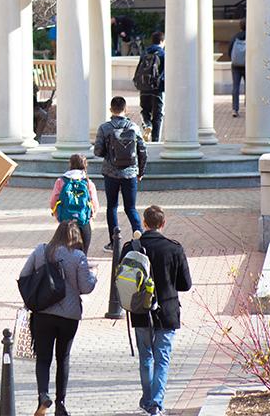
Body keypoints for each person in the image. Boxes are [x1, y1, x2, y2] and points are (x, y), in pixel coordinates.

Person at [19, 220, 97, 416]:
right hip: (69, 316)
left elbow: (24, 275)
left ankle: (43, 396)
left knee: (43, 358)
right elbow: (86, 287)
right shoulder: (78, 257)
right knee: (63, 358)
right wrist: (94, 275)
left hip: (43, 313)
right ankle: (61, 404)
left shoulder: (41, 250)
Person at [121, 205, 192, 416]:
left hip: (140, 310)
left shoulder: (131, 247)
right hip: (167, 311)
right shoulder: (174, 248)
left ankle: (147, 399)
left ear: (144, 223)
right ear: (163, 224)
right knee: (162, 358)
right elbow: (185, 284)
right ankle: (156, 403)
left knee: (146, 357)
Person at [93, 96, 147, 252]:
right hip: (130, 174)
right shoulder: (134, 127)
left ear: (111, 109)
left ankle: (114, 242)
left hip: (111, 173)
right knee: (131, 208)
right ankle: (140, 240)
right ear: (126, 109)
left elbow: (97, 151)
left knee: (112, 207)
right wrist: (140, 171)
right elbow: (143, 151)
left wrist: (109, 154)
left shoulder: (104, 128)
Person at [49, 154, 100, 255]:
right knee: (83, 254)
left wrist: (57, 215)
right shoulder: (88, 182)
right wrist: (91, 216)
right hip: (83, 221)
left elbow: (53, 202)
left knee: (65, 252)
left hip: (66, 222)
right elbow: (95, 204)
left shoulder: (61, 181)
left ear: (70, 164)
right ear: (85, 165)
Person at [136, 32, 166, 142]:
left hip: (144, 87)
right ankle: (155, 139)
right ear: (162, 41)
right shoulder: (163, 54)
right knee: (158, 114)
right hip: (158, 88)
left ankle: (147, 125)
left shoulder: (144, 53)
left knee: (145, 110)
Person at [227, 18, 246, 118]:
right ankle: (249, 107)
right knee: (249, 87)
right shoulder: (251, 36)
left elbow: (229, 50)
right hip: (247, 65)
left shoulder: (236, 36)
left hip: (236, 66)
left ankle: (235, 109)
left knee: (236, 87)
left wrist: (234, 59)